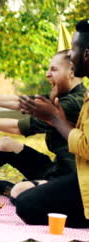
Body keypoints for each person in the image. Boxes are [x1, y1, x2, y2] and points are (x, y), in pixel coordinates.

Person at [0, 50, 85, 200]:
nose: (47, 74)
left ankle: (22, 190)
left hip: (70, 179)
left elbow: (18, 127)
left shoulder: (72, 103)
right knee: (5, 144)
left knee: (19, 191)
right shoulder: (62, 96)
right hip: (56, 168)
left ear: (71, 72)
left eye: (54, 69)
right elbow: (17, 102)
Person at [17, 19, 89, 228]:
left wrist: (56, 119)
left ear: (86, 55)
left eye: (73, 50)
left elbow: (86, 146)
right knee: (27, 197)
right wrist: (55, 117)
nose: (70, 56)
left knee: (26, 205)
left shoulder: (77, 97)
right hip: (79, 175)